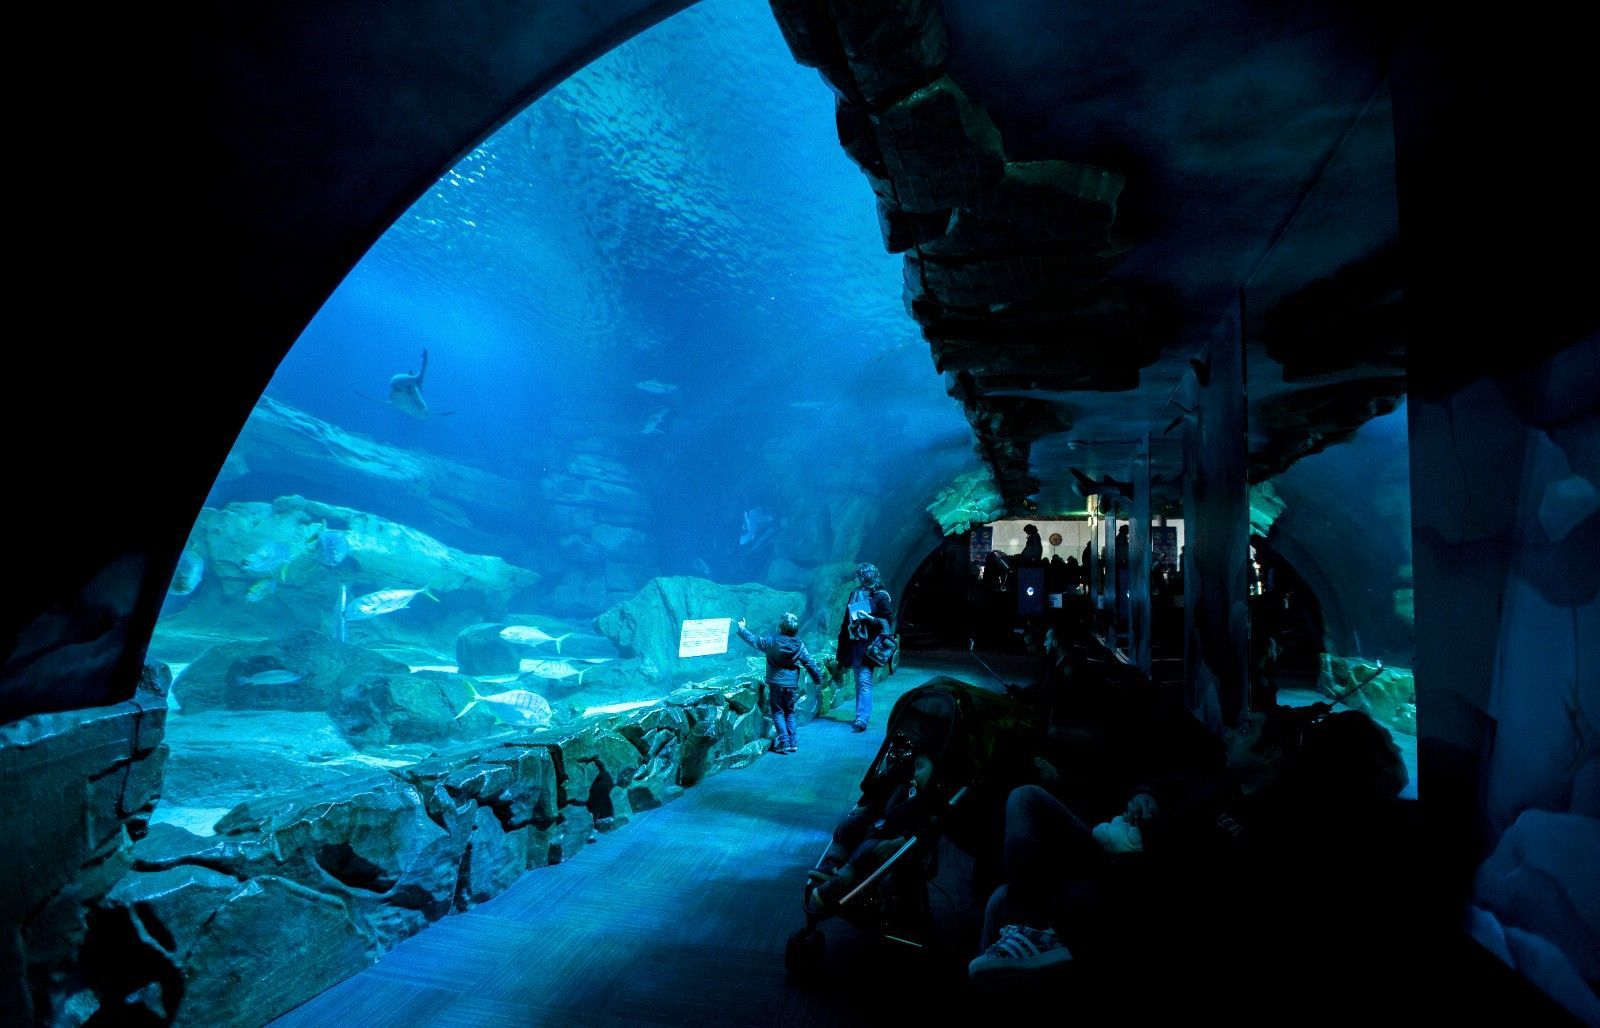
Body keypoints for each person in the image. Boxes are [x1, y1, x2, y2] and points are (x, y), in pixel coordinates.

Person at [967, 703, 1399, 985]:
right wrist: (1147, 795)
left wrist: (1144, 843)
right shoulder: (1221, 785)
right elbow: (1171, 784)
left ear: (1271, 755)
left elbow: (1195, 883)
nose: (1231, 734)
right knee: (1024, 803)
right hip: (1125, 864)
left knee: (1003, 899)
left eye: (1246, 729)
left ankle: (1039, 927)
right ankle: (1033, 925)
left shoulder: (1278, 825)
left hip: (1131, 886)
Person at [807, 743, 940, 910]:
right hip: (880, 825)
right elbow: (888, 804)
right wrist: (870, 808)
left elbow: (924, 829)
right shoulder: (908, 788)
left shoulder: (930, 801)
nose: (915, 772)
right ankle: (834, 863)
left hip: (895, 840)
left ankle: (838, 883)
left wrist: (898, 842)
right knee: (847, 826)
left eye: (920, 768)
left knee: (866, 849)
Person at [737, 612, 823, 755]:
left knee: (777, 712)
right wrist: (818, 679)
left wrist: (742, 628)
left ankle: (784, 742)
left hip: (776, 684)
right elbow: (810, 663)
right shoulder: (799, 645)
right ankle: (793, 743)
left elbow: (753, 640)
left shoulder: (771, 642)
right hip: (791, 685)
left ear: (780, 627)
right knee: (789, 712)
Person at [836, 562, 893, 732]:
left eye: (860, 575)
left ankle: (862, 718)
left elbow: (886, 622)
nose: (858, 578)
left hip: (870, 646)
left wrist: (870, 619)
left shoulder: (881, 596)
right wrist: (842, 645)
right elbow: (846, 621)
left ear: (867, 576)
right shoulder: (855, 594)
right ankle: (860, 715)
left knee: (864, 682)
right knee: (859, 683)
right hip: (855, 645)